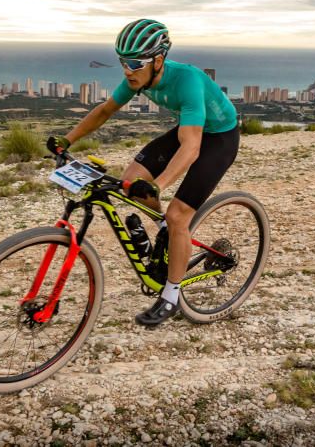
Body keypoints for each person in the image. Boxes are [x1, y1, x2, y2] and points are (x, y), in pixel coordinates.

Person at [47, 19, 239, 327]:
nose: (127, 70)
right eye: (123, 62)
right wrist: (67, 140)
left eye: (135, 63)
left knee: (178, 215)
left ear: (158, 60)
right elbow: (104, 111)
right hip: (190, 130)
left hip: (219, 139)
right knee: (129, 180)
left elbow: (191, 149)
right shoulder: (139, 78)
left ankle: (172, 295)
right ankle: (165, 231)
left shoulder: (188, 80)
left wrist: (158, 186)